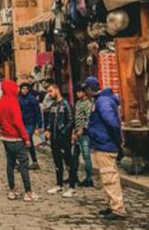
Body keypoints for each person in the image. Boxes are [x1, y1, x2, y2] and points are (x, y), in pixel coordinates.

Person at [83, 76, 126, 220]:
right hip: (103, 143)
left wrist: (116, 139)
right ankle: (113, 204)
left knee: (109, 177)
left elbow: (112, 122)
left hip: (105, 144)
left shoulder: (102, 101)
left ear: (90, 89)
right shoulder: (101, 100)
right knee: (107, 176)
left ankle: (117, 208)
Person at [0, 80, 38, 202]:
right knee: (24, 165)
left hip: (6, 137)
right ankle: (28, 192)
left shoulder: (0, 102)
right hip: (16, 138)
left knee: (10, 164)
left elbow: (0, 121)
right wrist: (26, 138)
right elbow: (18, 122)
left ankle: (12, 191)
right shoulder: (13, 102)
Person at [45, 83, 78, 198]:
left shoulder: (66, 104)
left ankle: (72, 187)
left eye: (50, 91)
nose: (49, 94)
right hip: (54, 139)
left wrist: (63, 132)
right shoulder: (53, 105)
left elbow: (70, 120)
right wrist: (48, 130)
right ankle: (59, 184)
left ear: (56, 89)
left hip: (63, 139)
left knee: (68, 162)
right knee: (57, 162)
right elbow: (50, 119)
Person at [73, 84, 94, 187]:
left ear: (84, 92)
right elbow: (76, 117)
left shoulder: (87, 104)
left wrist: (83, 129)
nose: (77, 94)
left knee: (86, 156)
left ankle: (89, 178)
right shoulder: (78, 103)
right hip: (77, 132)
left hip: (84, 134)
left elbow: (89, 118)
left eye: (79, 92)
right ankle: (74, 176)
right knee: (74, 155)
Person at [18, 83, 42, 170]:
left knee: (26, 139)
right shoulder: (19, 99)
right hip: (22, 123)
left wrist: (39, 125)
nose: (24, 90)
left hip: (31, 123)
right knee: (29, 142)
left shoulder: (32, 99)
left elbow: (37, 112)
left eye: (26, 89)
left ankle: (23, 163)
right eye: (23, 89)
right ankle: (34, 162)